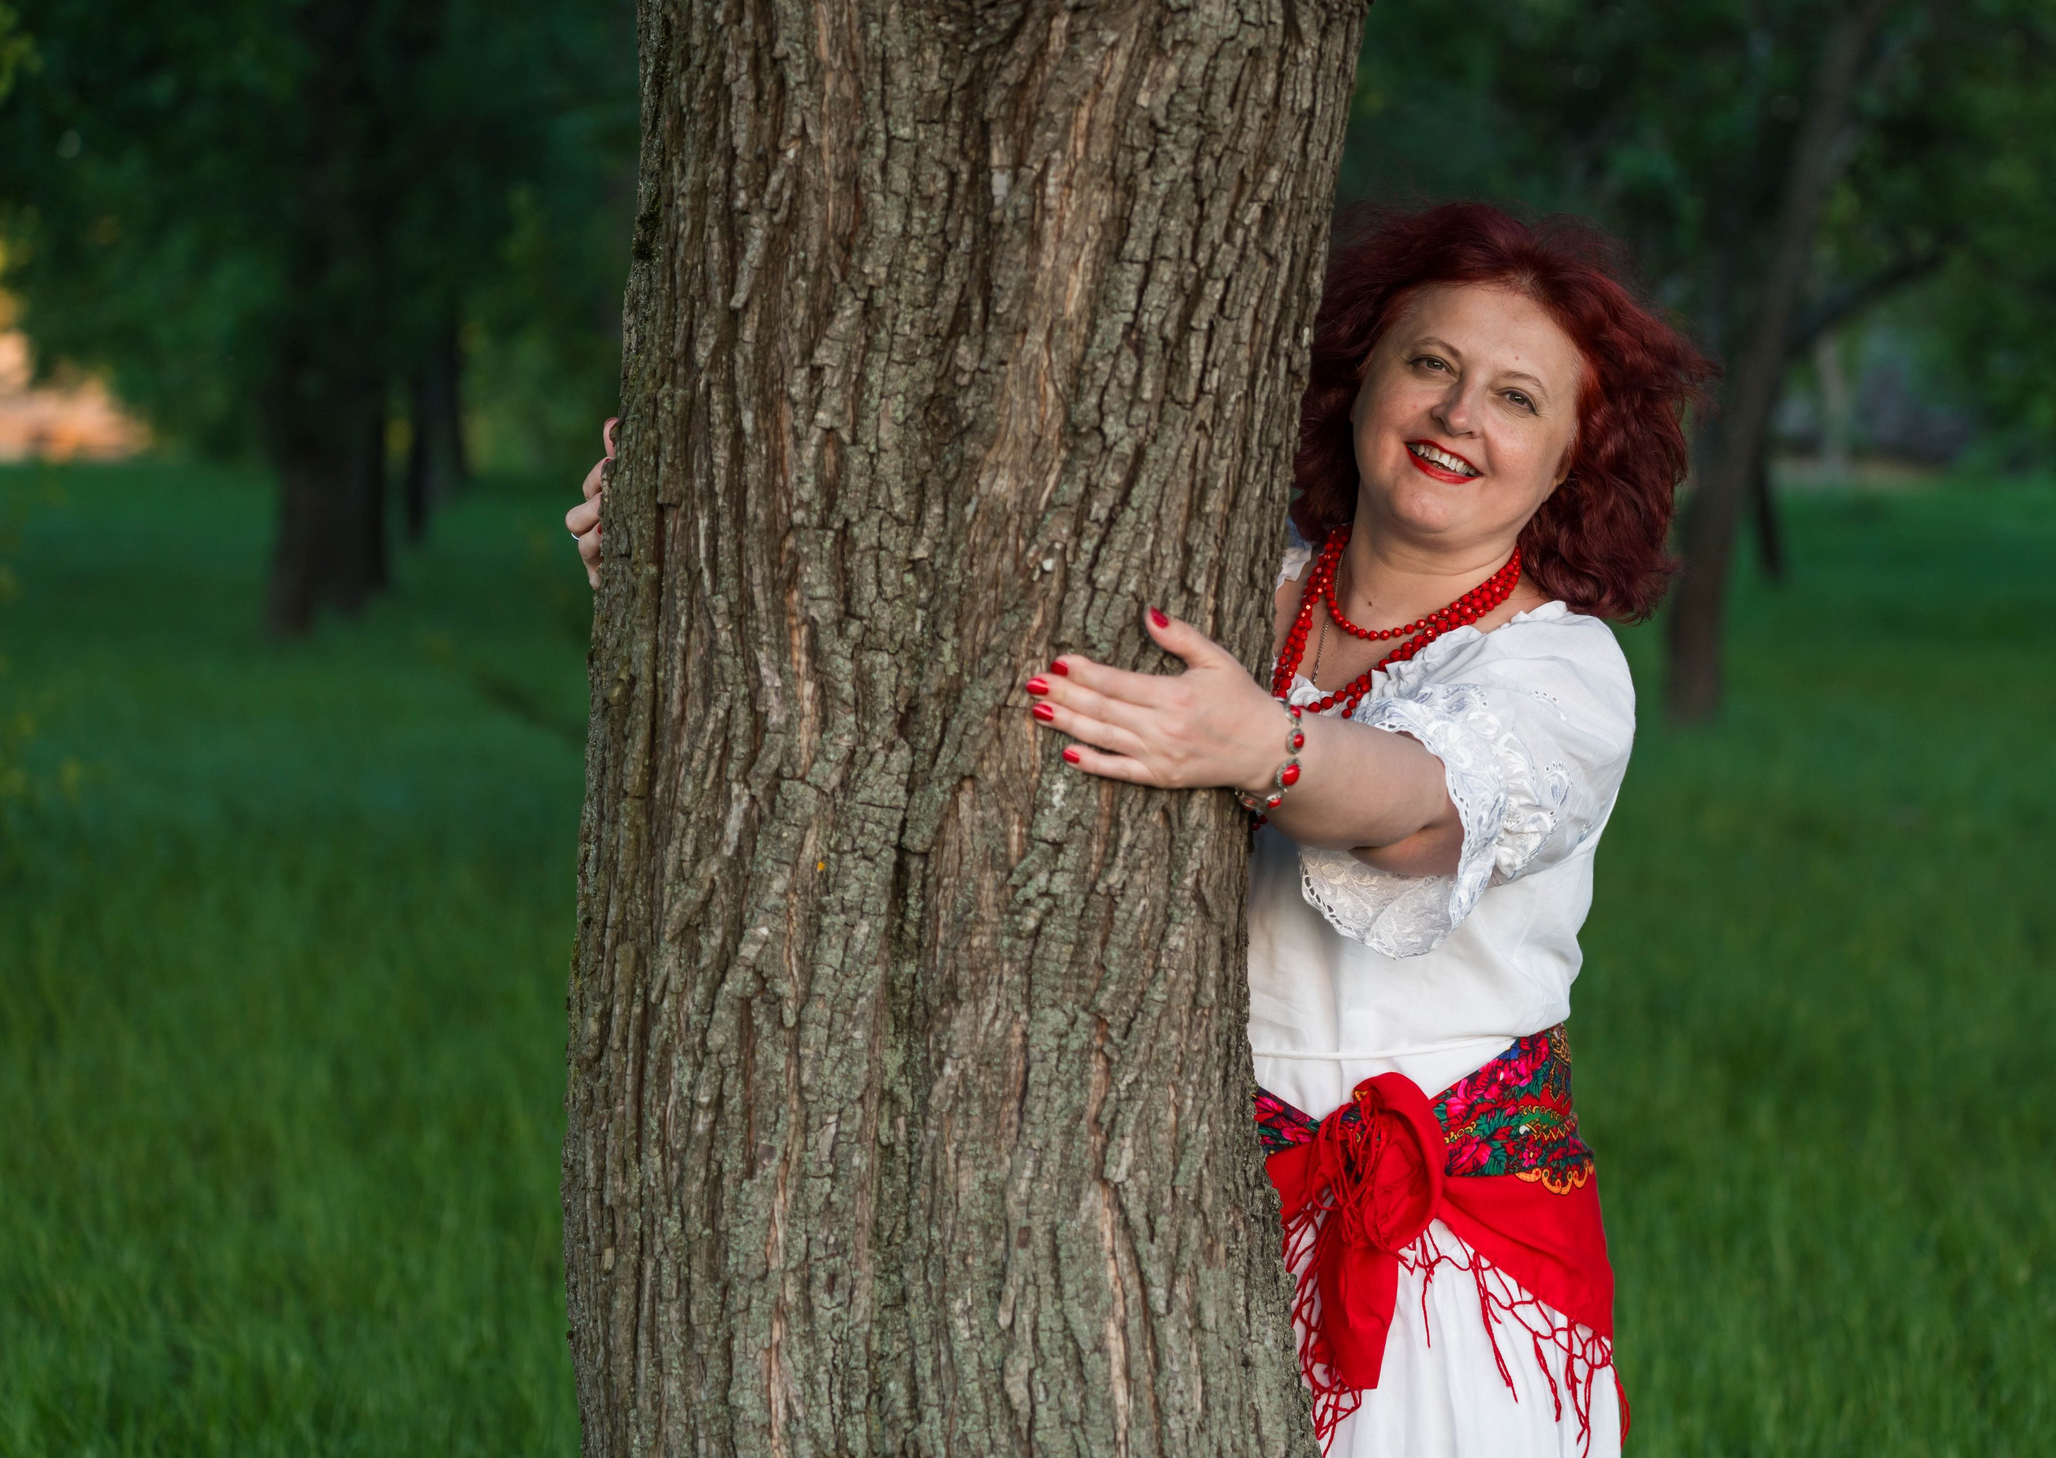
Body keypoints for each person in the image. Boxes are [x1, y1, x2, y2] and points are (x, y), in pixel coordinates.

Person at [567, 203, 1710, 1456]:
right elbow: (945, 682)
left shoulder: (1558, 672)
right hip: (1178, 1214)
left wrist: (1261, 749)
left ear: (1569, 462)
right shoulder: (1229, 577)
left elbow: (1417, 805)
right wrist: (696, 569)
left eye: (1516, 399)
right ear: (1358, 379)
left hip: (1452, 1256)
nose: (1456, 417)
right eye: (1429, 365)